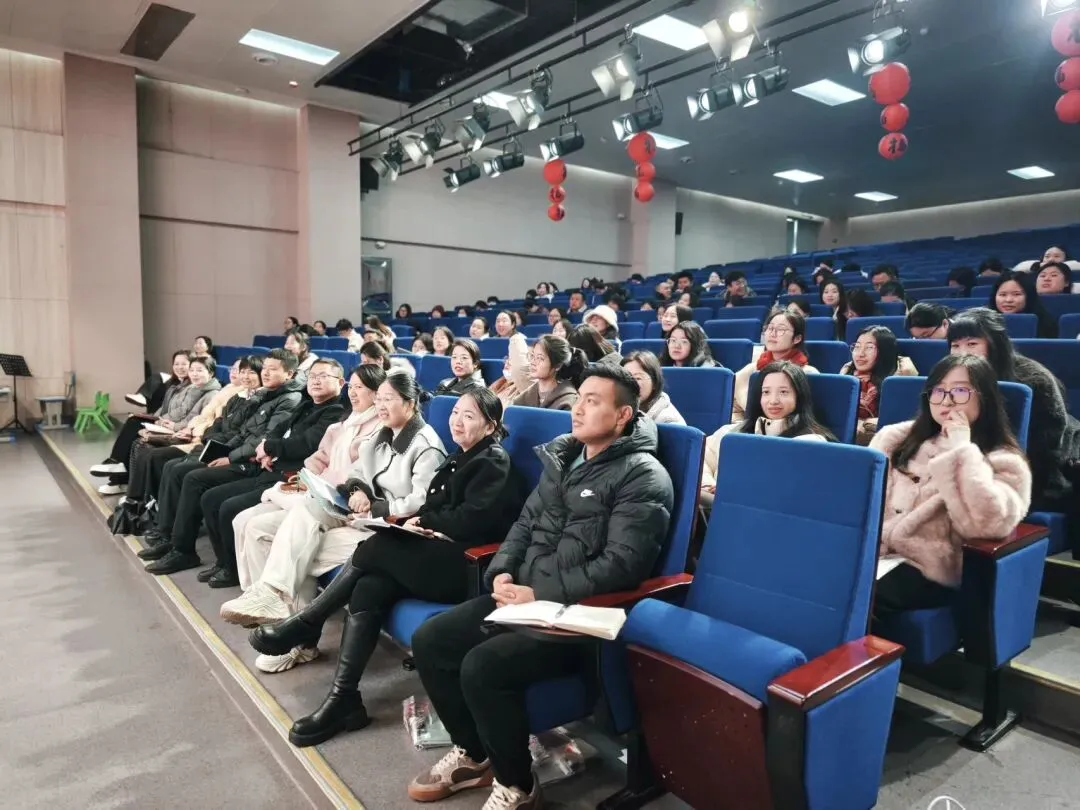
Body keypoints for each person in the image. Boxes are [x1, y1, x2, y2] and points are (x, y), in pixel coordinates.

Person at [406, 365, 674, 810]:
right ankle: (475, 754)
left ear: (623, 415)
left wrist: (539, 594)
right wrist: (503, 571)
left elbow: (622, 565)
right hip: (527, 599)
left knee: (481, 666)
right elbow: (525, 523)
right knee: (431, 640)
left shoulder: (642, 475)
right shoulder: (563, 458)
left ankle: (518, 785)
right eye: (579, 398)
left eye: (593, 401)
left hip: (580, 618)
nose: (578, 409)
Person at [249, 389, 528, 735]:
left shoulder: (492, 461)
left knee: (377, 546)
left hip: (466, 566)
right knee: (369, 586)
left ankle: (308, 621)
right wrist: (417, 522)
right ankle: (344, 699)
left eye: (469, 416)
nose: (457, 421)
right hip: (438, 549)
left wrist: (424, 522)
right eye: (455, 412)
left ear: (490, 426)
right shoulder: (462, 456)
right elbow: (435, 506)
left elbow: (472, 520)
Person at [221, 374, 445, 631]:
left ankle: (294, 632)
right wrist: (358, 490)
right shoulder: (384, 434)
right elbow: (358, 472)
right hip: (360, 515)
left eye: (389, 399)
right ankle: (272, 599)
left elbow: (421, 501)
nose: (381, 406)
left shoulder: (425, 446)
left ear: (410, 403)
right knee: (304, 512)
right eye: (379, 399)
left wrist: (375, 508)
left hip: (390, 528)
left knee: (300, 550)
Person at [199, 365, 387, 592]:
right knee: (245, 521)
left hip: (337, 500)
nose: (353, 393)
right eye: (352, 387)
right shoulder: (343, 423)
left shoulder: (378, 428)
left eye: (360, 388)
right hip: (313, 489)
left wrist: (317, 483)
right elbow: (319, 457)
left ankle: (277, 600)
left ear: (377, 393)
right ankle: (256, 594)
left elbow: (358, 473)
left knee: (263, 528)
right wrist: (306, 477)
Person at [870, 355, 1031, 616]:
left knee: (857, 596)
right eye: (938, 391)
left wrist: (961, 450)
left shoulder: (1005, 461)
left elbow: (987, 525)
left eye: (960, 391)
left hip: (927, 568)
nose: (946, 401)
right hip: (874, 554)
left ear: (985, 398)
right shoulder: (894, 439)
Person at [137, 349, 305, 572]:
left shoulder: (290, 399)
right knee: (175, 469)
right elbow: (242, 431)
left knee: (192, 478)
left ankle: (182, 550)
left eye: (272, 369)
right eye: (264, 368)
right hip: (237, 454)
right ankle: (169, 537)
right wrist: (222, 450)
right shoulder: (266, 394)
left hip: (254, 463)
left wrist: (229, 456)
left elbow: (264, 439)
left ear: (289, 374)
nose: (265, 373)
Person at [947, 308, 1077, 512]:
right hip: (982, 459)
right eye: (955, 346)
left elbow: (1048, 446)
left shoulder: (1034, 379)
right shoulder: (953, 376)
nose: (962, 353)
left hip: (1042, 464)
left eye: (972, 344)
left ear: (995, 344)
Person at [701, 361, 835, 508]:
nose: (773, 401)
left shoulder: (812, 442)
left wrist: (728, 491)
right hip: (712, 507)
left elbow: (779, 490)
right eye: (766, 392)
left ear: (799, 396)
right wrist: (708, 486)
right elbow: (701, 458)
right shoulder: (732, 431)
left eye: (783, 392)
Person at [91, 351, 202, 492]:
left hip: (174, 426)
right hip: (163, 420)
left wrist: (159, 420)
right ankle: (119, 475)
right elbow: (163, 407)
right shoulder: (174, 385)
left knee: (134, 426)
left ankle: (119, 474)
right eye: (176, 364)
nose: (179, 367)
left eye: (184, 364)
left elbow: (182, 412)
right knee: (133, 423)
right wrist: (152, 416)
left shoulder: (192, 387)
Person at [731, 311, 816, 421]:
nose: (772, 333)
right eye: (770, 328)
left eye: (781, 329)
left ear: (797, 338)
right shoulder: (750, 370)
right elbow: (734, 408)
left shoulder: (808, 373)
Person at [840, 326, 915, 445]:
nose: (860, 354)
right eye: (857, 347)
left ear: (885, 351)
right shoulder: (846, 373)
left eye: (869, 348)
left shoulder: (899, 380)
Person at [513, 335, 586, 411]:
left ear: (558, 366)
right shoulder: (522, 399)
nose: (533, 362)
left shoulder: (569, 402)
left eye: (540, 358)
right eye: (532, 356)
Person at [621, 351, 685, 425]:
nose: (629, 383)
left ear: (654, 382)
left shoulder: (669, 422)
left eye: (638, 378)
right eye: (625, 377)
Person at [989, 272, 1058, 338]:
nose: (1008, 300)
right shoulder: (985, 322)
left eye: (1016, 294)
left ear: (1029, 296)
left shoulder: (1045, 324)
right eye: (1003, 295)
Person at [489, 333, 531, 407]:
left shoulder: (526, 386)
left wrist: (516, 339)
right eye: (508, 358)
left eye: (513, 360)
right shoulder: (500, 382)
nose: (508, 362)